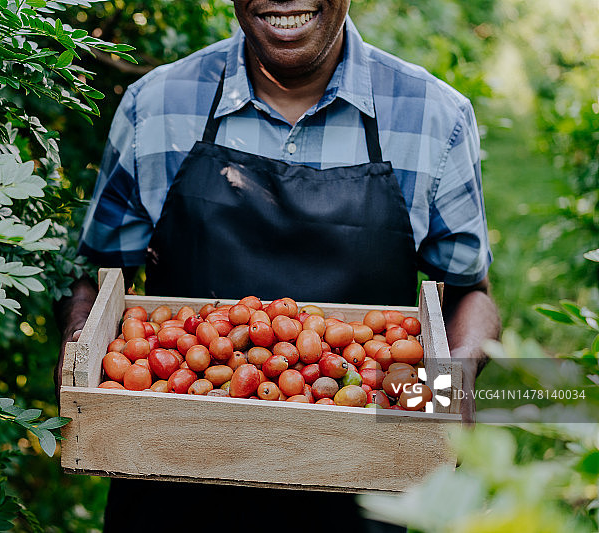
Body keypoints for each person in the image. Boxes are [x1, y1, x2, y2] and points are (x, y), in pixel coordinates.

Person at [56, 1, 500, 530]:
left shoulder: (433, 116)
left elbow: (470, 291)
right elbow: (97, 274)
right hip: (171, 485)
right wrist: (81, 349)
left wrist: (457, 375)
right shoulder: (157, 106)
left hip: (361, 491)